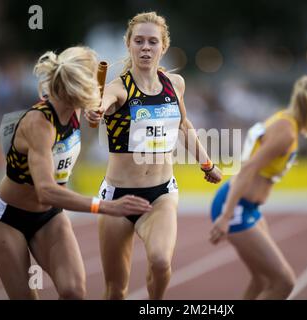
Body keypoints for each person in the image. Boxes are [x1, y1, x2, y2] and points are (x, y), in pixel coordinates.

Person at [0, 46, 153, 300]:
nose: (99, 86)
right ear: (77, 88)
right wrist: (105, 206)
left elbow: (99, 103)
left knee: (73, 291)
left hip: (49, 217)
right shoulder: (39, 124)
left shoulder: (73, 108)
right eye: (94, 80)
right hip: (9, 217)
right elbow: (47, 191)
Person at [84, 11, 222, 300]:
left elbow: (184, 125)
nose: (146, 47)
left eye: (152, 42)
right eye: (139, 41)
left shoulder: (176, 84)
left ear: (164, 47)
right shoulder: (117, 88)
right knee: (115, 290)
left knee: (160, 262)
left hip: (160, 193)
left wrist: (206, 163)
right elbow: (101, 104)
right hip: (117, 197)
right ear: (129, 45)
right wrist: (96, 111)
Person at [209, 75, 307, 300]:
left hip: (247, 206)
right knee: (284, 282)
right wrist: (226, 216)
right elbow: (248, 169)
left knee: (262, 279)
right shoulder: (286, 131)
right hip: (236, 206)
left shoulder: (284, 120)